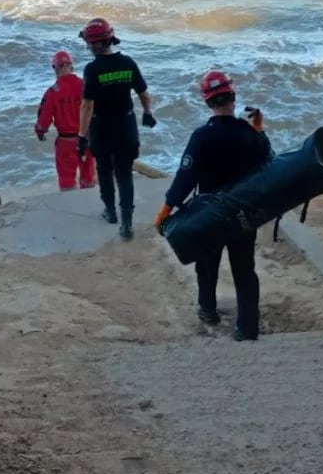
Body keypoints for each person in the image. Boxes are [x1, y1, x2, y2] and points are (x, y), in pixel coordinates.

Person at [154, 70, 271, 341]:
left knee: (207, 266)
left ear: (207, 102)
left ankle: (208, 311)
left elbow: (185, 178)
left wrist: (165, 211)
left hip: (209, 216)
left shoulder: (201, 137)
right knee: (245, 269)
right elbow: (268, 161)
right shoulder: (248, 134)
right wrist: (258, 128)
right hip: (243, 213)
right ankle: (247, 328)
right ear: (233, 96)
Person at [76, 17, 157, 240]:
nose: (87, 46)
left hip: (101, 127)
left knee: (103, 170)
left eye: (89, 42)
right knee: (124, 173)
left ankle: (110, 213)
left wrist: (81, 136)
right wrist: (148, 113)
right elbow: (143, 93)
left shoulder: (92, 69)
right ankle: (127, 223)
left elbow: (87, 105)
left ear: (96, 44)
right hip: (126, 125)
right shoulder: (128, 63)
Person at [35, 50, 96, 191]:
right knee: (88, 177)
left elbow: (44, 117)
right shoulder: (84, 85)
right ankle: (88, 201)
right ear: (72, 66)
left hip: (65, 142)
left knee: (66, 180)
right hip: (85, 139)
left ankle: (69, 204)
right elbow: (96, 109)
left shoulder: (52, 92)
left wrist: (40, 131)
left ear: (55, 68)